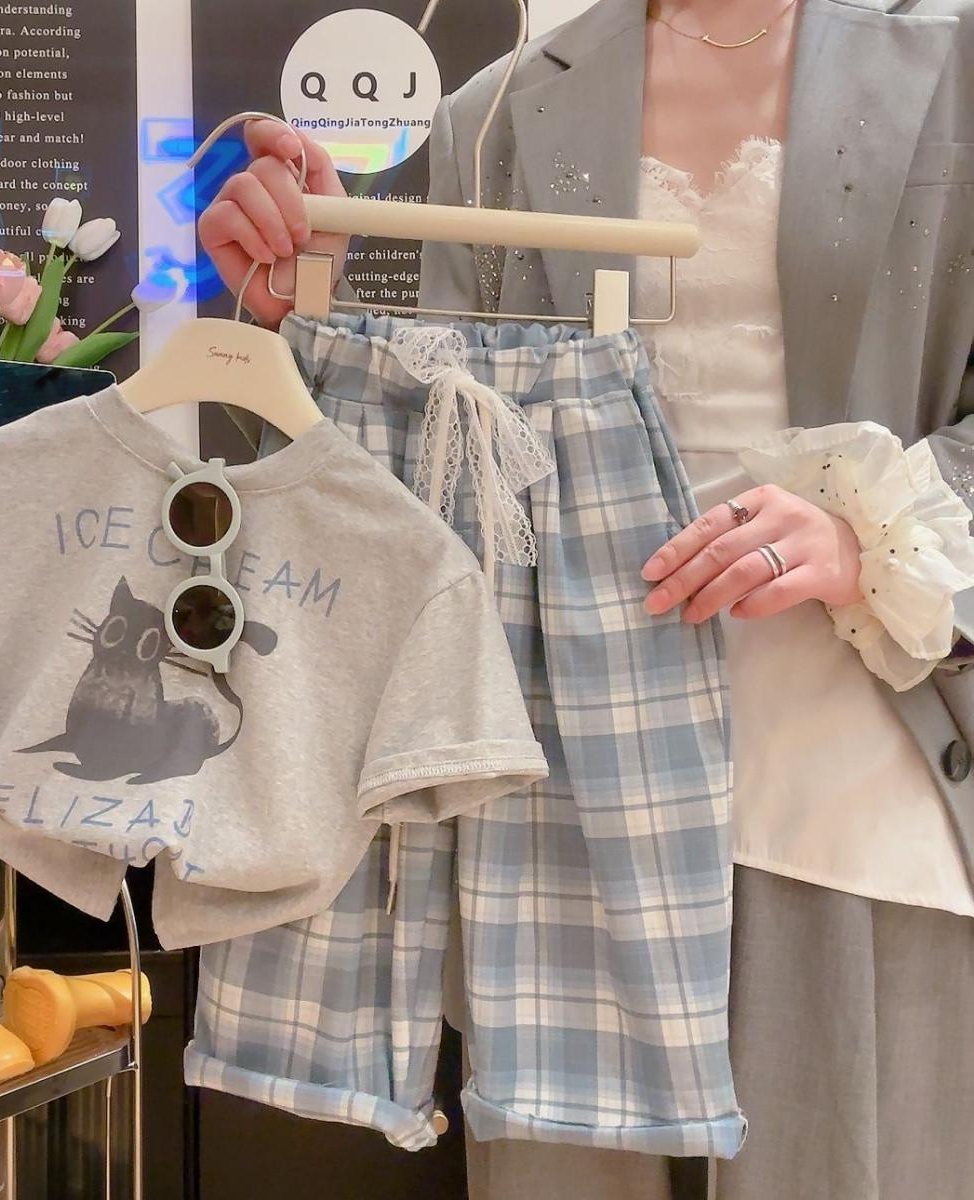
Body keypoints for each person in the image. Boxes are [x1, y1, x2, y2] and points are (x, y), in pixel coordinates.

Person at [198, 1, 974, 1197]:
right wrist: (307, 319)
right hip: (565, 792)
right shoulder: (495, 112)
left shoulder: (953, 63)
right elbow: (452, 494)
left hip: (852, 763)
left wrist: (866, 529)